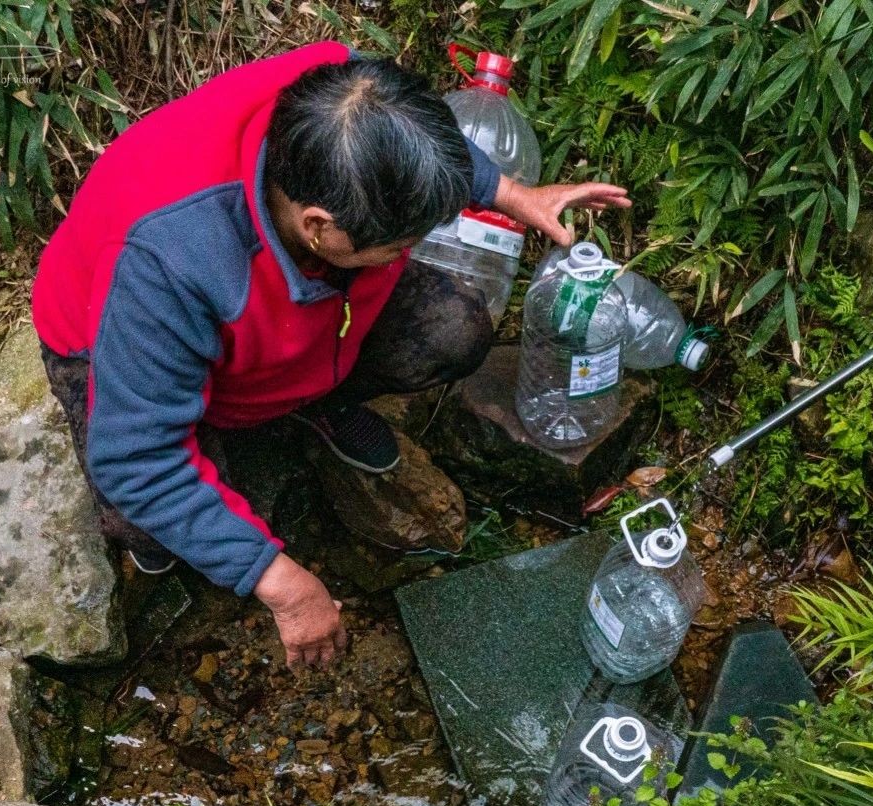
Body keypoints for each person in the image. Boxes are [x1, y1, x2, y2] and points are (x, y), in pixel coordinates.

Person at [31, 41, 629, 671]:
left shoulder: (344, 92)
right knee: (147, 516)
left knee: (453, 329)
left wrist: (510, 193)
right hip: (113, 339)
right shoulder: (167, 261)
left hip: (297, 315)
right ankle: (195, 482)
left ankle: (308, 404)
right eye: (398, 243)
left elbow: (413, 140)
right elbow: (137, 459)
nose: (410, 249)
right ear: (318, 226)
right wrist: (284, 585)